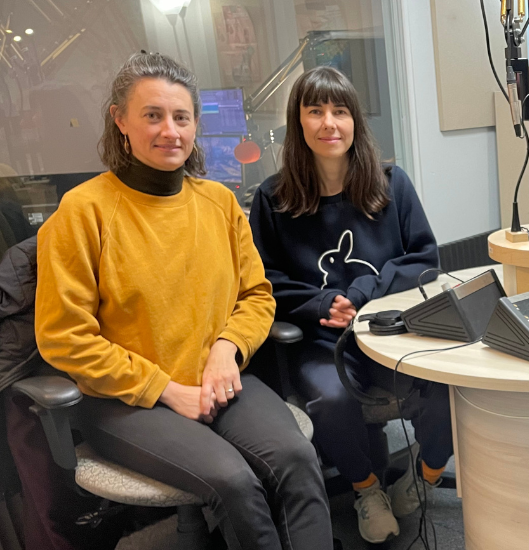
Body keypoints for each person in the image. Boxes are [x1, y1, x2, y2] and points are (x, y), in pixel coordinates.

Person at [34, 52, 334, 550]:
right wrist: (165, 388)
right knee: (234, 482)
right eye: (153, 115)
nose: (169, 130)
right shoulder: (82, 212)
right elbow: (63, 338)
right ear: (120, 120)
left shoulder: (218, 203)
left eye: (181, 117)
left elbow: (257, 295)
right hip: (126, 402)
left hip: (218, 380)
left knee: (299, 461)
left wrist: (226, 350)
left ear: (196, 125)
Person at [249, 66, 452, 544]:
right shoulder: (272, 198)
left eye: (339, 111)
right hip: (320, 339)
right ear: (299, 123)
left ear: (355, 120)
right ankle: (366, 489)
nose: (329, 123)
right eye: (315, 111)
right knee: (332, 400)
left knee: (448, 387)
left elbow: (425, 258)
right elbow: (262, 279)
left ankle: (424, 476)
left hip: (391, 331)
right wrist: (323, 302)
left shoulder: (391, 183)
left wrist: (362, 294)